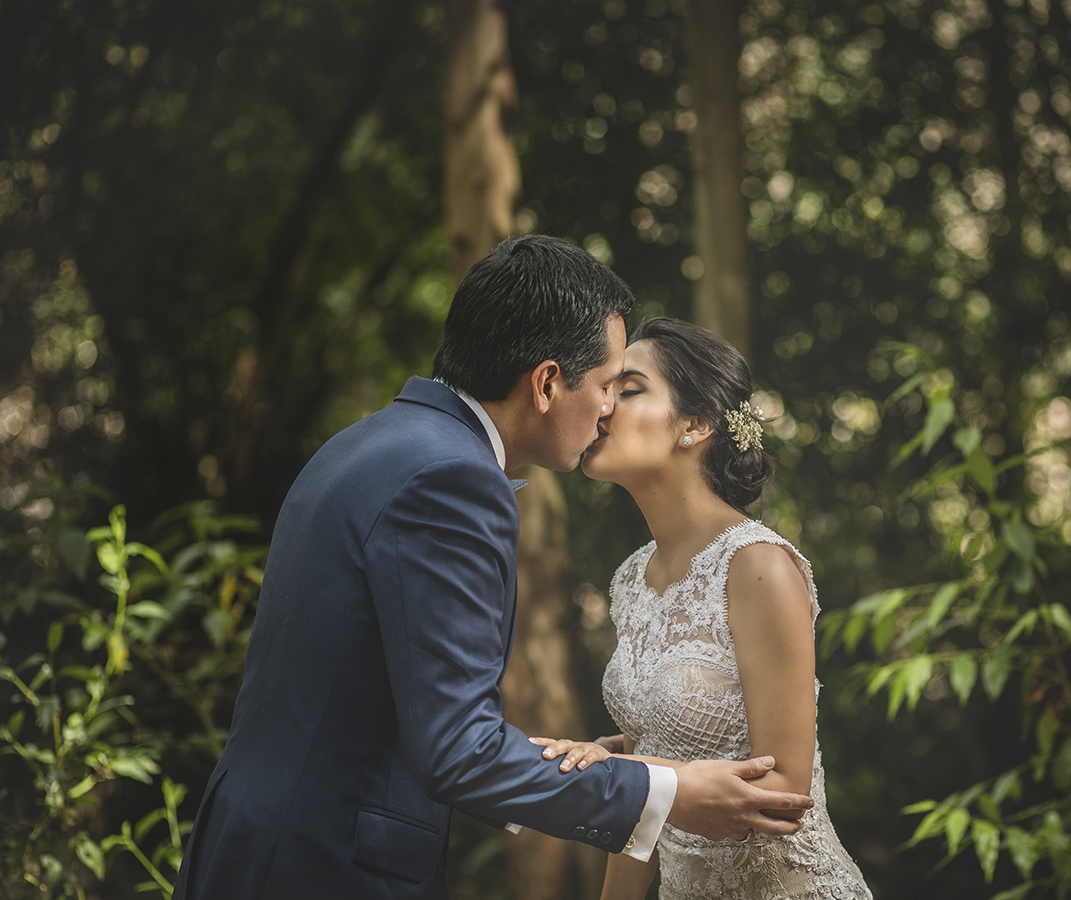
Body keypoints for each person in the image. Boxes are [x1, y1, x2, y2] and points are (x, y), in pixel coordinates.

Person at [171, 237, 815, 900]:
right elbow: (458, 749)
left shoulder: (370, 442)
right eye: (605, 386)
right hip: (320, 869)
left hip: (258, 847)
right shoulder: (453, 480)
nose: (606, 409)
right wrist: (663, 788)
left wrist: (615, 766)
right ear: (546, 383)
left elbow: (410, 712)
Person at [533, 317, 872, 900]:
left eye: (627, 389)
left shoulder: (759, 567)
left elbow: (783, 793)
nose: (603, 406)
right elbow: (646, 800)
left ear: (695, 425)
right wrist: (623, 766)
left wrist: (621, 772)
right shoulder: (631, 580)